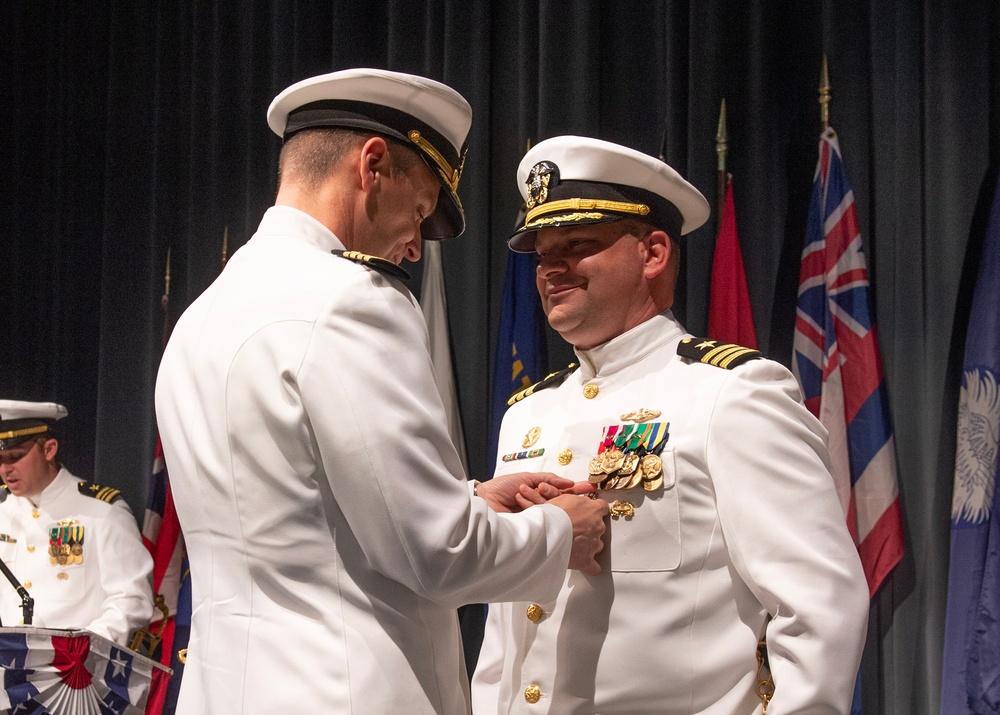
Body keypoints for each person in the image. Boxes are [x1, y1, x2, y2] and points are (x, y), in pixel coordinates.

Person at [154, 68, 608, 714]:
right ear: (371, 166)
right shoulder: (351, 302)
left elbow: (289, 509)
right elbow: (438, 552)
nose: (416, 247)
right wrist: (560, 533)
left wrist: (469, 497)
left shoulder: (199, 318)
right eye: (420, 210)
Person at [471, 136, 870, 714]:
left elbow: (820, 606)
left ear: (653, 253)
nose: (551, 268)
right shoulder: (526, 415)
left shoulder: (731, 393)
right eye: (541, 252)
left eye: (578, 244)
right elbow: (506, 637)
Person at [0, 400, 154, 645]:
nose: (5, 469)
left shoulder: (101, 511)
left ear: (49, 450)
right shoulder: (3, 510)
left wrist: (81, 650)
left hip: (76, 673)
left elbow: (132, 600)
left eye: (15, 457)